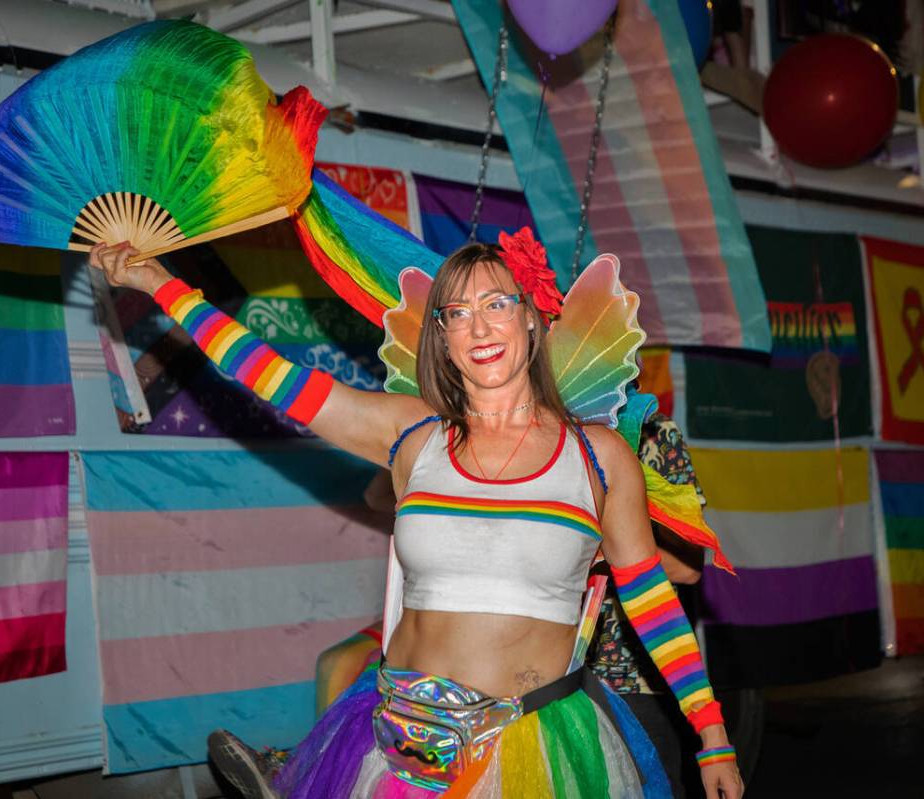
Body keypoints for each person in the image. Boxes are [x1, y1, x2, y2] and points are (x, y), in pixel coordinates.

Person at [89, 236, 743, 799]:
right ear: (442, 337)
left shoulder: (598, 457)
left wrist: (709, 731)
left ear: (532, 319)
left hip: (531, 749)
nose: (479, 327)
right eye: (456, 313)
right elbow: (268, 373)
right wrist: (157, 281)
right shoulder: (409, 435)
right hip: (389, 739)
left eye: (496, 304)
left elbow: (652, 603)